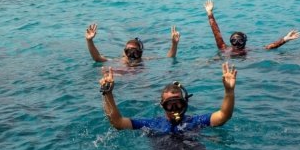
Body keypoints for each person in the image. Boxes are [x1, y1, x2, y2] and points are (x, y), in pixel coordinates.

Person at [98, 62, 237, 133]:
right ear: (162, 105)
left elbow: (224, 115)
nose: (174, 109)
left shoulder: (196, 121)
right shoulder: (152, 125)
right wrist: (108, 93)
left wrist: (229, 92)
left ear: (185, 103)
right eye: (169, 105)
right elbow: (118, 123)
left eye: (178, 104)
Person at [204, 0, 300, 55]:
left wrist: (209, 13)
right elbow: (270, 47)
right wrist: (285, 39)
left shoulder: (224, 48)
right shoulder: (248, 51)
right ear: (245, 41)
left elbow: (216, 33)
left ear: (231, 41)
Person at [85, 23, 180, 63]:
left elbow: (169, 58)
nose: (132, 55)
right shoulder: (118, 62)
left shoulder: (144, 61)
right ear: (124, 52)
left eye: (135, 52)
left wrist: (174, 44)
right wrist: (89, 40)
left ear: (141, 53)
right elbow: (97, 58)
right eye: (129, 51)